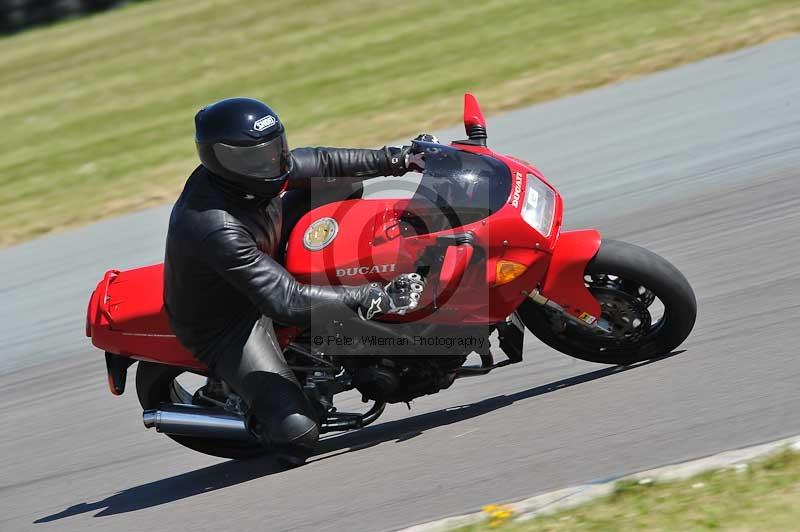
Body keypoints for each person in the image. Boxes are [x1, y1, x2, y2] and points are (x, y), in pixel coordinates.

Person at [163, 97, 426, 463]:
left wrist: (398, 159)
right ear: (220, 160)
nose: (273, 162)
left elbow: (321, 161)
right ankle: (246, 407)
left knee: (338, 181)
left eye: (276, 148)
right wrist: (373, 296)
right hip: (229, 320)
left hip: (264, 254)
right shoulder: (214, 226)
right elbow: (285, 302)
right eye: (256, 157)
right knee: (298, 435)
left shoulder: (253, 178)